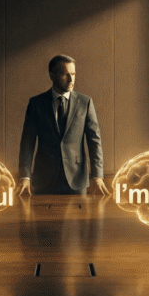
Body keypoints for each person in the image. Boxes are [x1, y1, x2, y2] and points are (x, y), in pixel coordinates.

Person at [18, 55, 110, 196]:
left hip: (77, 180)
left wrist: (97, 176)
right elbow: (27, 142)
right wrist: (25, 177)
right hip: (44, 180)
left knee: (79, 217)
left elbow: (94, 141)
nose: (71, 79)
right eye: (65, 74)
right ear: (52, 75)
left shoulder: (85, 102)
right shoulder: (36, 104)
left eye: (73, 74)